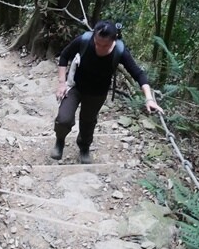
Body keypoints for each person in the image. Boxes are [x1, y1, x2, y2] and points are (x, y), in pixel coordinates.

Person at [52, 20, 162, 163]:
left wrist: (149, 99)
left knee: (88, 122)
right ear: (94, 37)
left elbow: (139, 74)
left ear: (114, 40)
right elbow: (65, 55)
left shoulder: (120, 51)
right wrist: (62, 83)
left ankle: (84, 147)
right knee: (63, 119)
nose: (100, 48)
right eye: (97, 43)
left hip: (97, 93)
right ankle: (60, 141)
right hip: (75, 87)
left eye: (105, 45)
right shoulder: (84, 40)